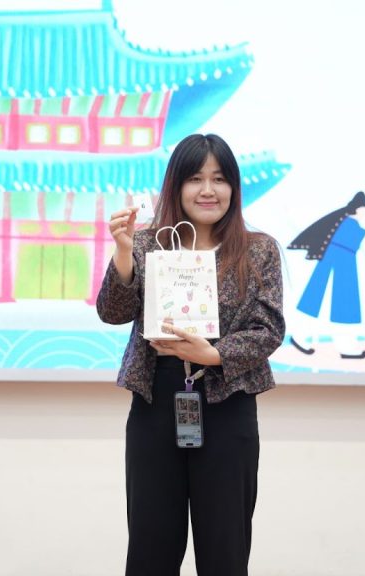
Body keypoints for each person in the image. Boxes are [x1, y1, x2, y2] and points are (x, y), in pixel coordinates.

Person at [96, 133, 285, 576]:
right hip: (155, 401)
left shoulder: (258, 249)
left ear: (233, 187)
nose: (208, 190)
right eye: (196, 178)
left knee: (225, 549)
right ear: (176, 185)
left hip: (228, 403)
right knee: (151, 547)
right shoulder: (147, 243)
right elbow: (112, 312)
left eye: (219, 179)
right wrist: (123, 252)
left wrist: (214, 354)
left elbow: (269, 328)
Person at [286, 191, 365, 358]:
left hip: (336, 268)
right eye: (364, 209)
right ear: (357, 208)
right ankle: (341, 346)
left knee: (317, 305)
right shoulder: (350, 226)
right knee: (336, 307)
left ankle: (303, 337)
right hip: (338, 269)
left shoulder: (340, 223)